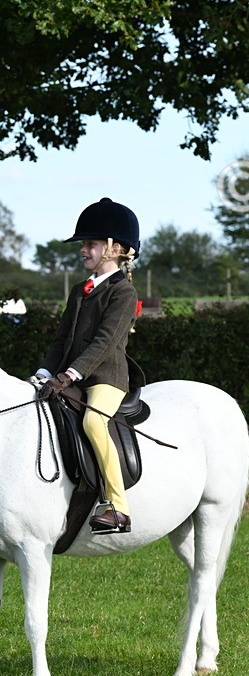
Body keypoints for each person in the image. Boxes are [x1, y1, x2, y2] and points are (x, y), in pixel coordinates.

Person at [31, 198, 141, 534]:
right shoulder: (79, 290)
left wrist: (70, 374)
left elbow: (104, 342)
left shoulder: (123, 292)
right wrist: (45, 372)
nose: (83, 250)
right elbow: (61, 340)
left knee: (94, 422)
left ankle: (117, 507)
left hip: (106, 378)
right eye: (84, 245)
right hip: (68, 376)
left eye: (90, 244)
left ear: (114, 248)